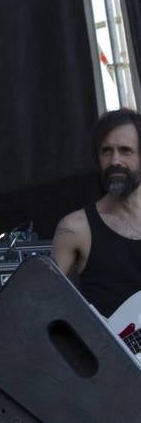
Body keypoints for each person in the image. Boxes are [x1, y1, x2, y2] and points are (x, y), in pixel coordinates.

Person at [51, 108, 141, 320]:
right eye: (106, 151)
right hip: (114, 351)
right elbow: (44, 307)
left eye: (126, 150)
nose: (114, 161)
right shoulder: (75, 228)